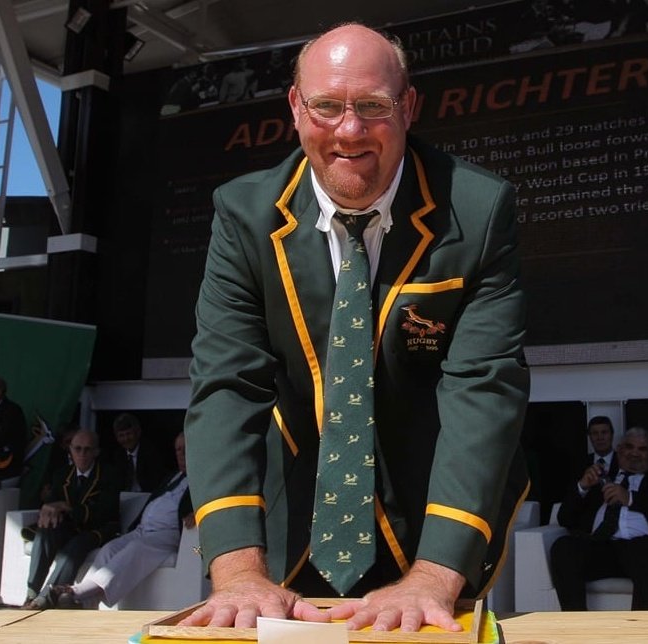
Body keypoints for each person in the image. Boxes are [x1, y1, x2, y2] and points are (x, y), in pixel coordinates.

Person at [182, 23, 529, 632]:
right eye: (326, 106)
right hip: (290, 515)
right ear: (295, 108)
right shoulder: (242, 215)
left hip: (432, 515)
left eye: (373, 106)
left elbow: (482, 389)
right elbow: (228, 386)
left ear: (409, 107)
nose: (349, 130)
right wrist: (238, 573)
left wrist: (434, 575)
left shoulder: (478, 211)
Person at [550, 427, 648, 610]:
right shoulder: (602, 478)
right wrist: (582, 486)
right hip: (603, 546)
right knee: (564, 546)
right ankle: (577, 624)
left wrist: (630, 499)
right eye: (629, 447)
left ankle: (642, 631)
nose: (634, 453)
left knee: (645, 551)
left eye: (642, 449)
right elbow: (565, 518)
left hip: (644, 549)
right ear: (619, 450)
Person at [48, 432, 193, 609]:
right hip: (143, 529)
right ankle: (85, 604)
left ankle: (76, 592)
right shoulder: (173, 476)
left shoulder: (204, 478)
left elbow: (215, 499)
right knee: (110, 549)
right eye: (178, 449)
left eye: (186, 449)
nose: (181, 454)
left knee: (135, 549)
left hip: (169, 534)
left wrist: (198, 512)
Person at [23, 429, 119, 609]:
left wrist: (67, 507)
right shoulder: (62, 474)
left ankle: (47, 597)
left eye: (87, 449)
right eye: (78, 449)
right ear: (70, 450)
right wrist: (48, 510)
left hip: (97, 529)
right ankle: (32, 591)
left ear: (96, 452)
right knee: (45, 532)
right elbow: (53, 502)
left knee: (75, 546)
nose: (82, 454)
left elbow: (104, 512)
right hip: (70, 527)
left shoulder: (109, 474)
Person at [111, 412, 167, 493]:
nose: (126, 439)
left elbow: (156, 484)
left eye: (129, 434)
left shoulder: (151, 453)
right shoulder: (117, 456)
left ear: (138, 432)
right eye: (121, 435)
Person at [581, 416, 618, 480]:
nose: (600, 438)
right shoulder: (580, 463)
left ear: (612, 434)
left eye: (604, 432)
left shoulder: (624, 461)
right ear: (589, 437)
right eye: (595, 433)